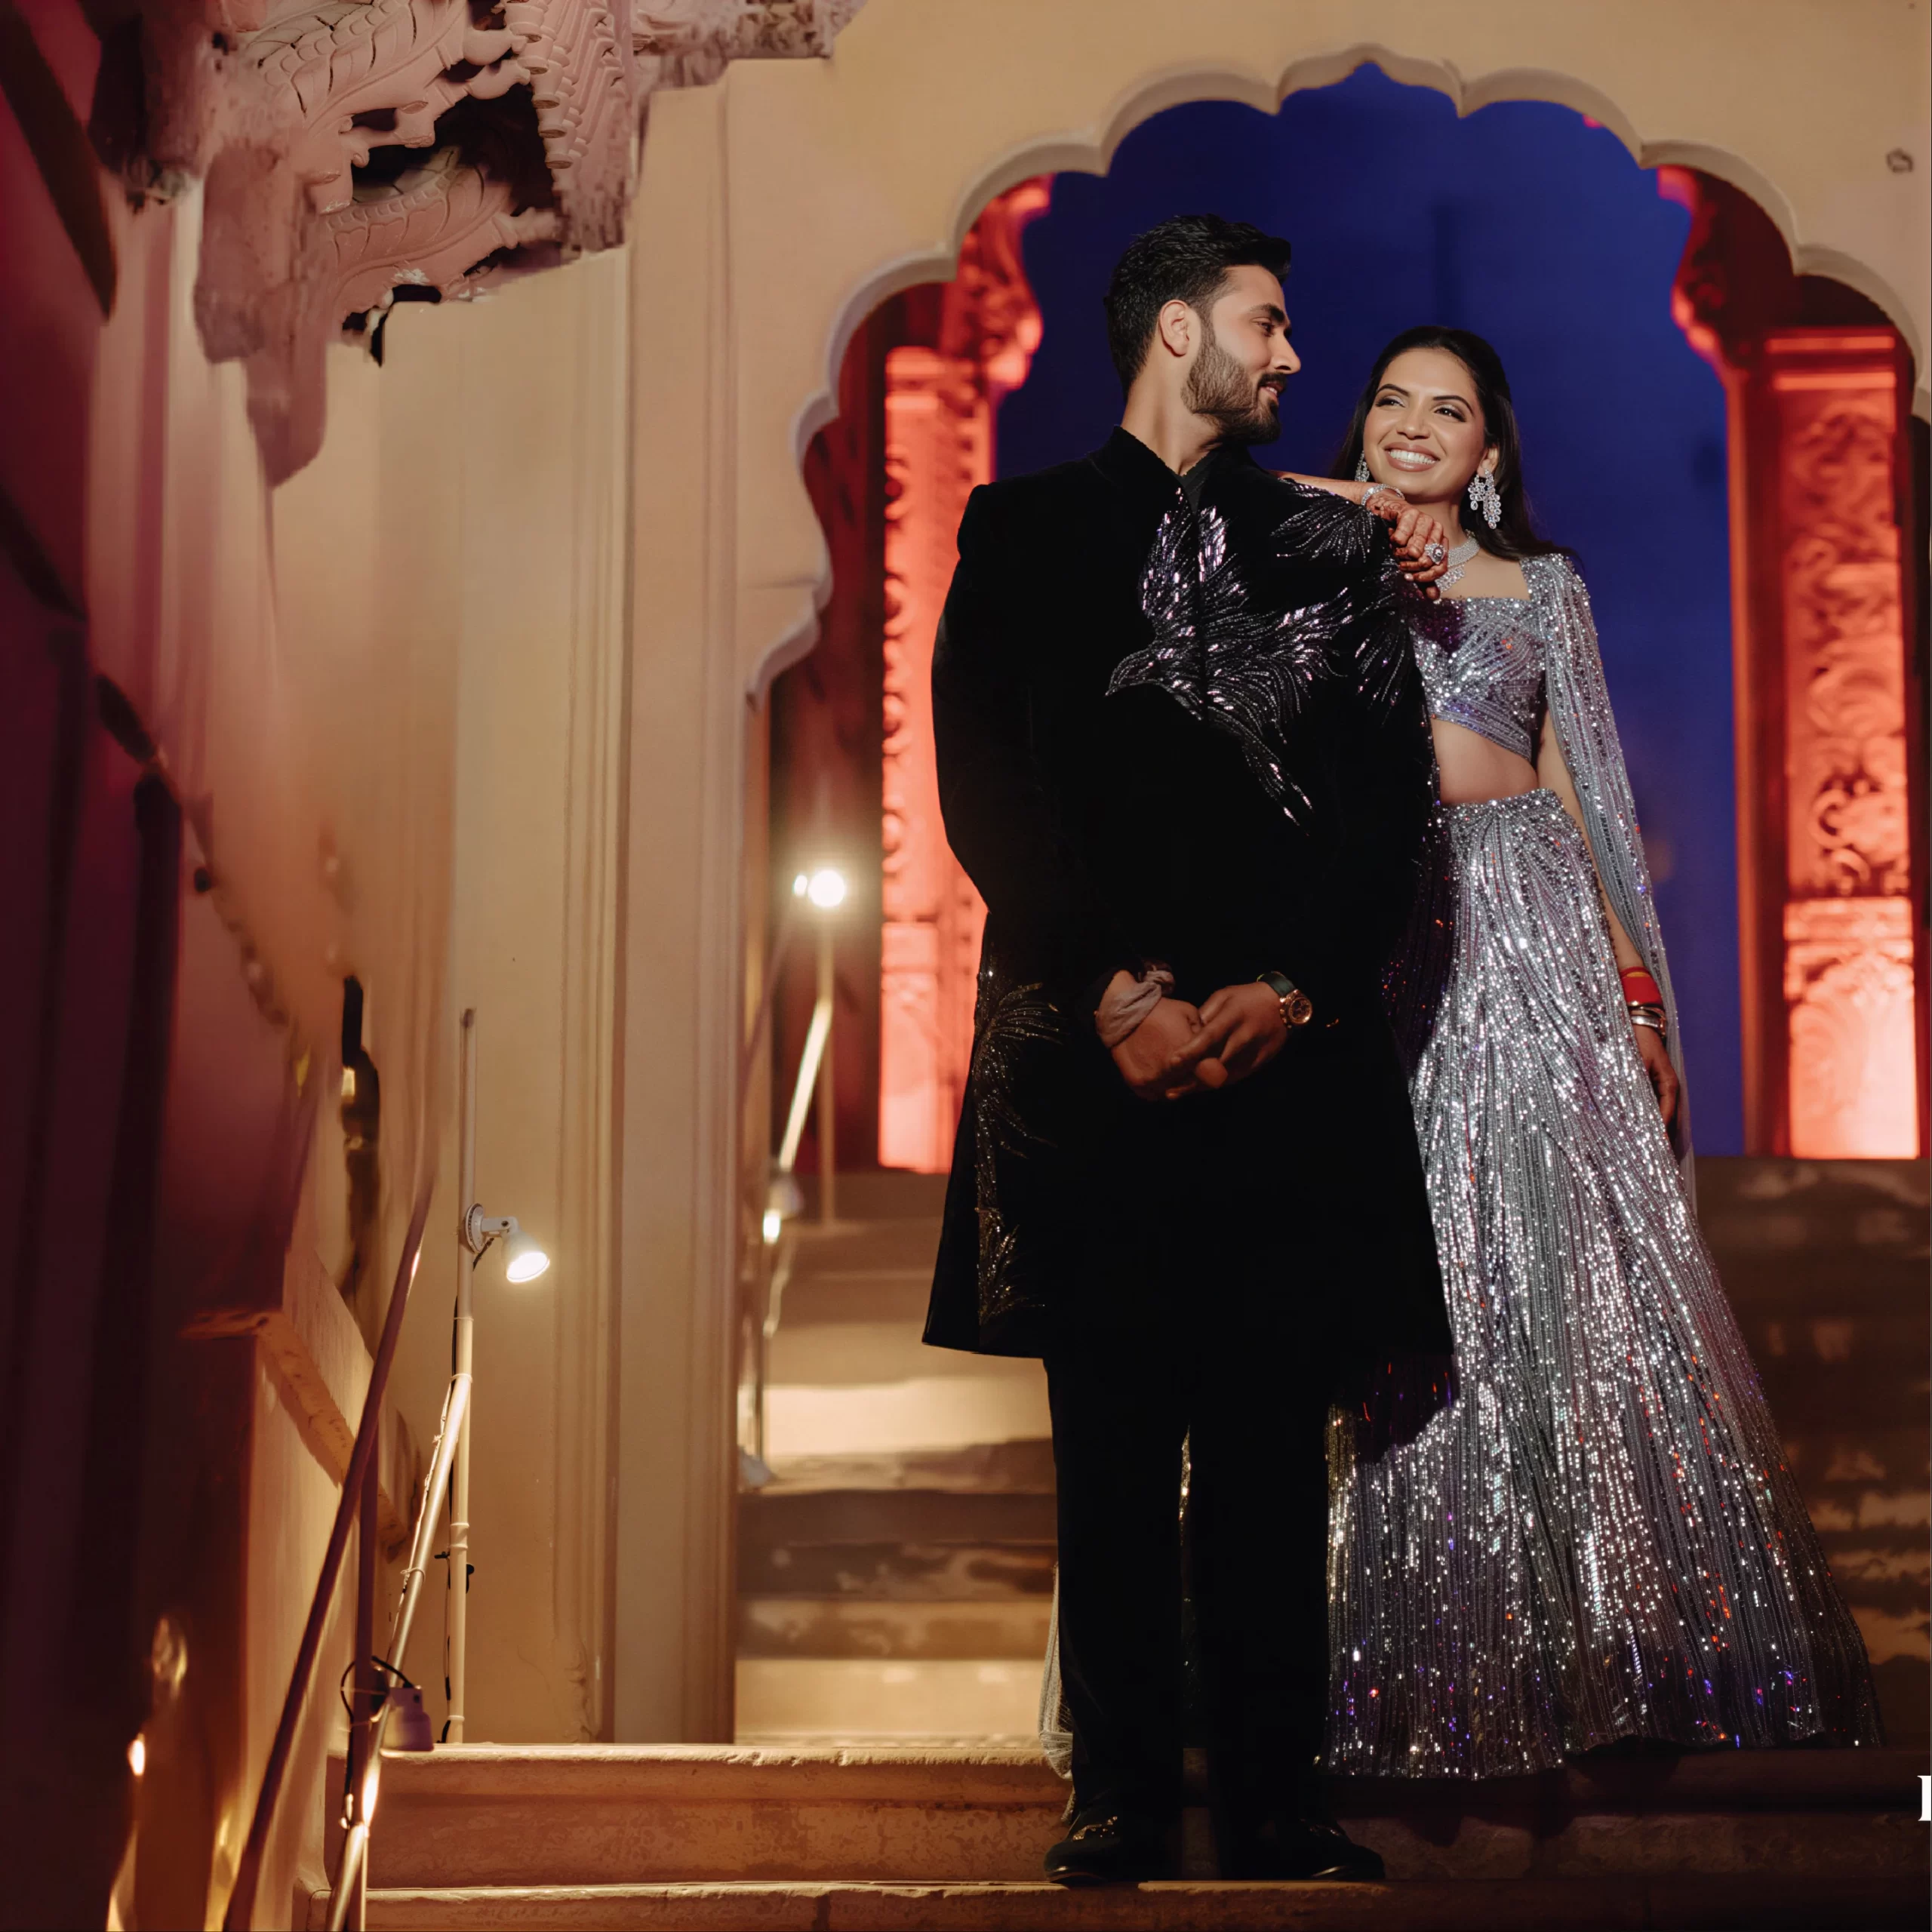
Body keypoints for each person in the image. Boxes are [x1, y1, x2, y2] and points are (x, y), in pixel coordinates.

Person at [922, 216, 1454, 1884]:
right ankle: (1121, 1796)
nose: (1294, 357)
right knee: (1108, 1442)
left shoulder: (1330, 549)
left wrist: (1290, 987)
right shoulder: (1017, 531)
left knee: (1267, 1452)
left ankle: (1277, 1800)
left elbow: (1388, 802)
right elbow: (982, 785)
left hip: (1288, 1067)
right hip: (1090, 1062)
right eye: (1265, 324)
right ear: (1175, 333)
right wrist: (1112, 993)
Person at [1294, 326, 1881, 1774]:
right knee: (1401, 1260)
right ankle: (1383, 1660)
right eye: (1391, 402)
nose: (1416, 425)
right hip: (1377, 925)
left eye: (1450, 410)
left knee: (1557, 1268)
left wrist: (1636, 998)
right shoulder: (1310, 562)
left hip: (1529, 919)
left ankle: (1603, 1642)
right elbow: (1205, 513)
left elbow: (1582, 789)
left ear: (1490, 450)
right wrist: (1354, 521)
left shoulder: (1543, 587)